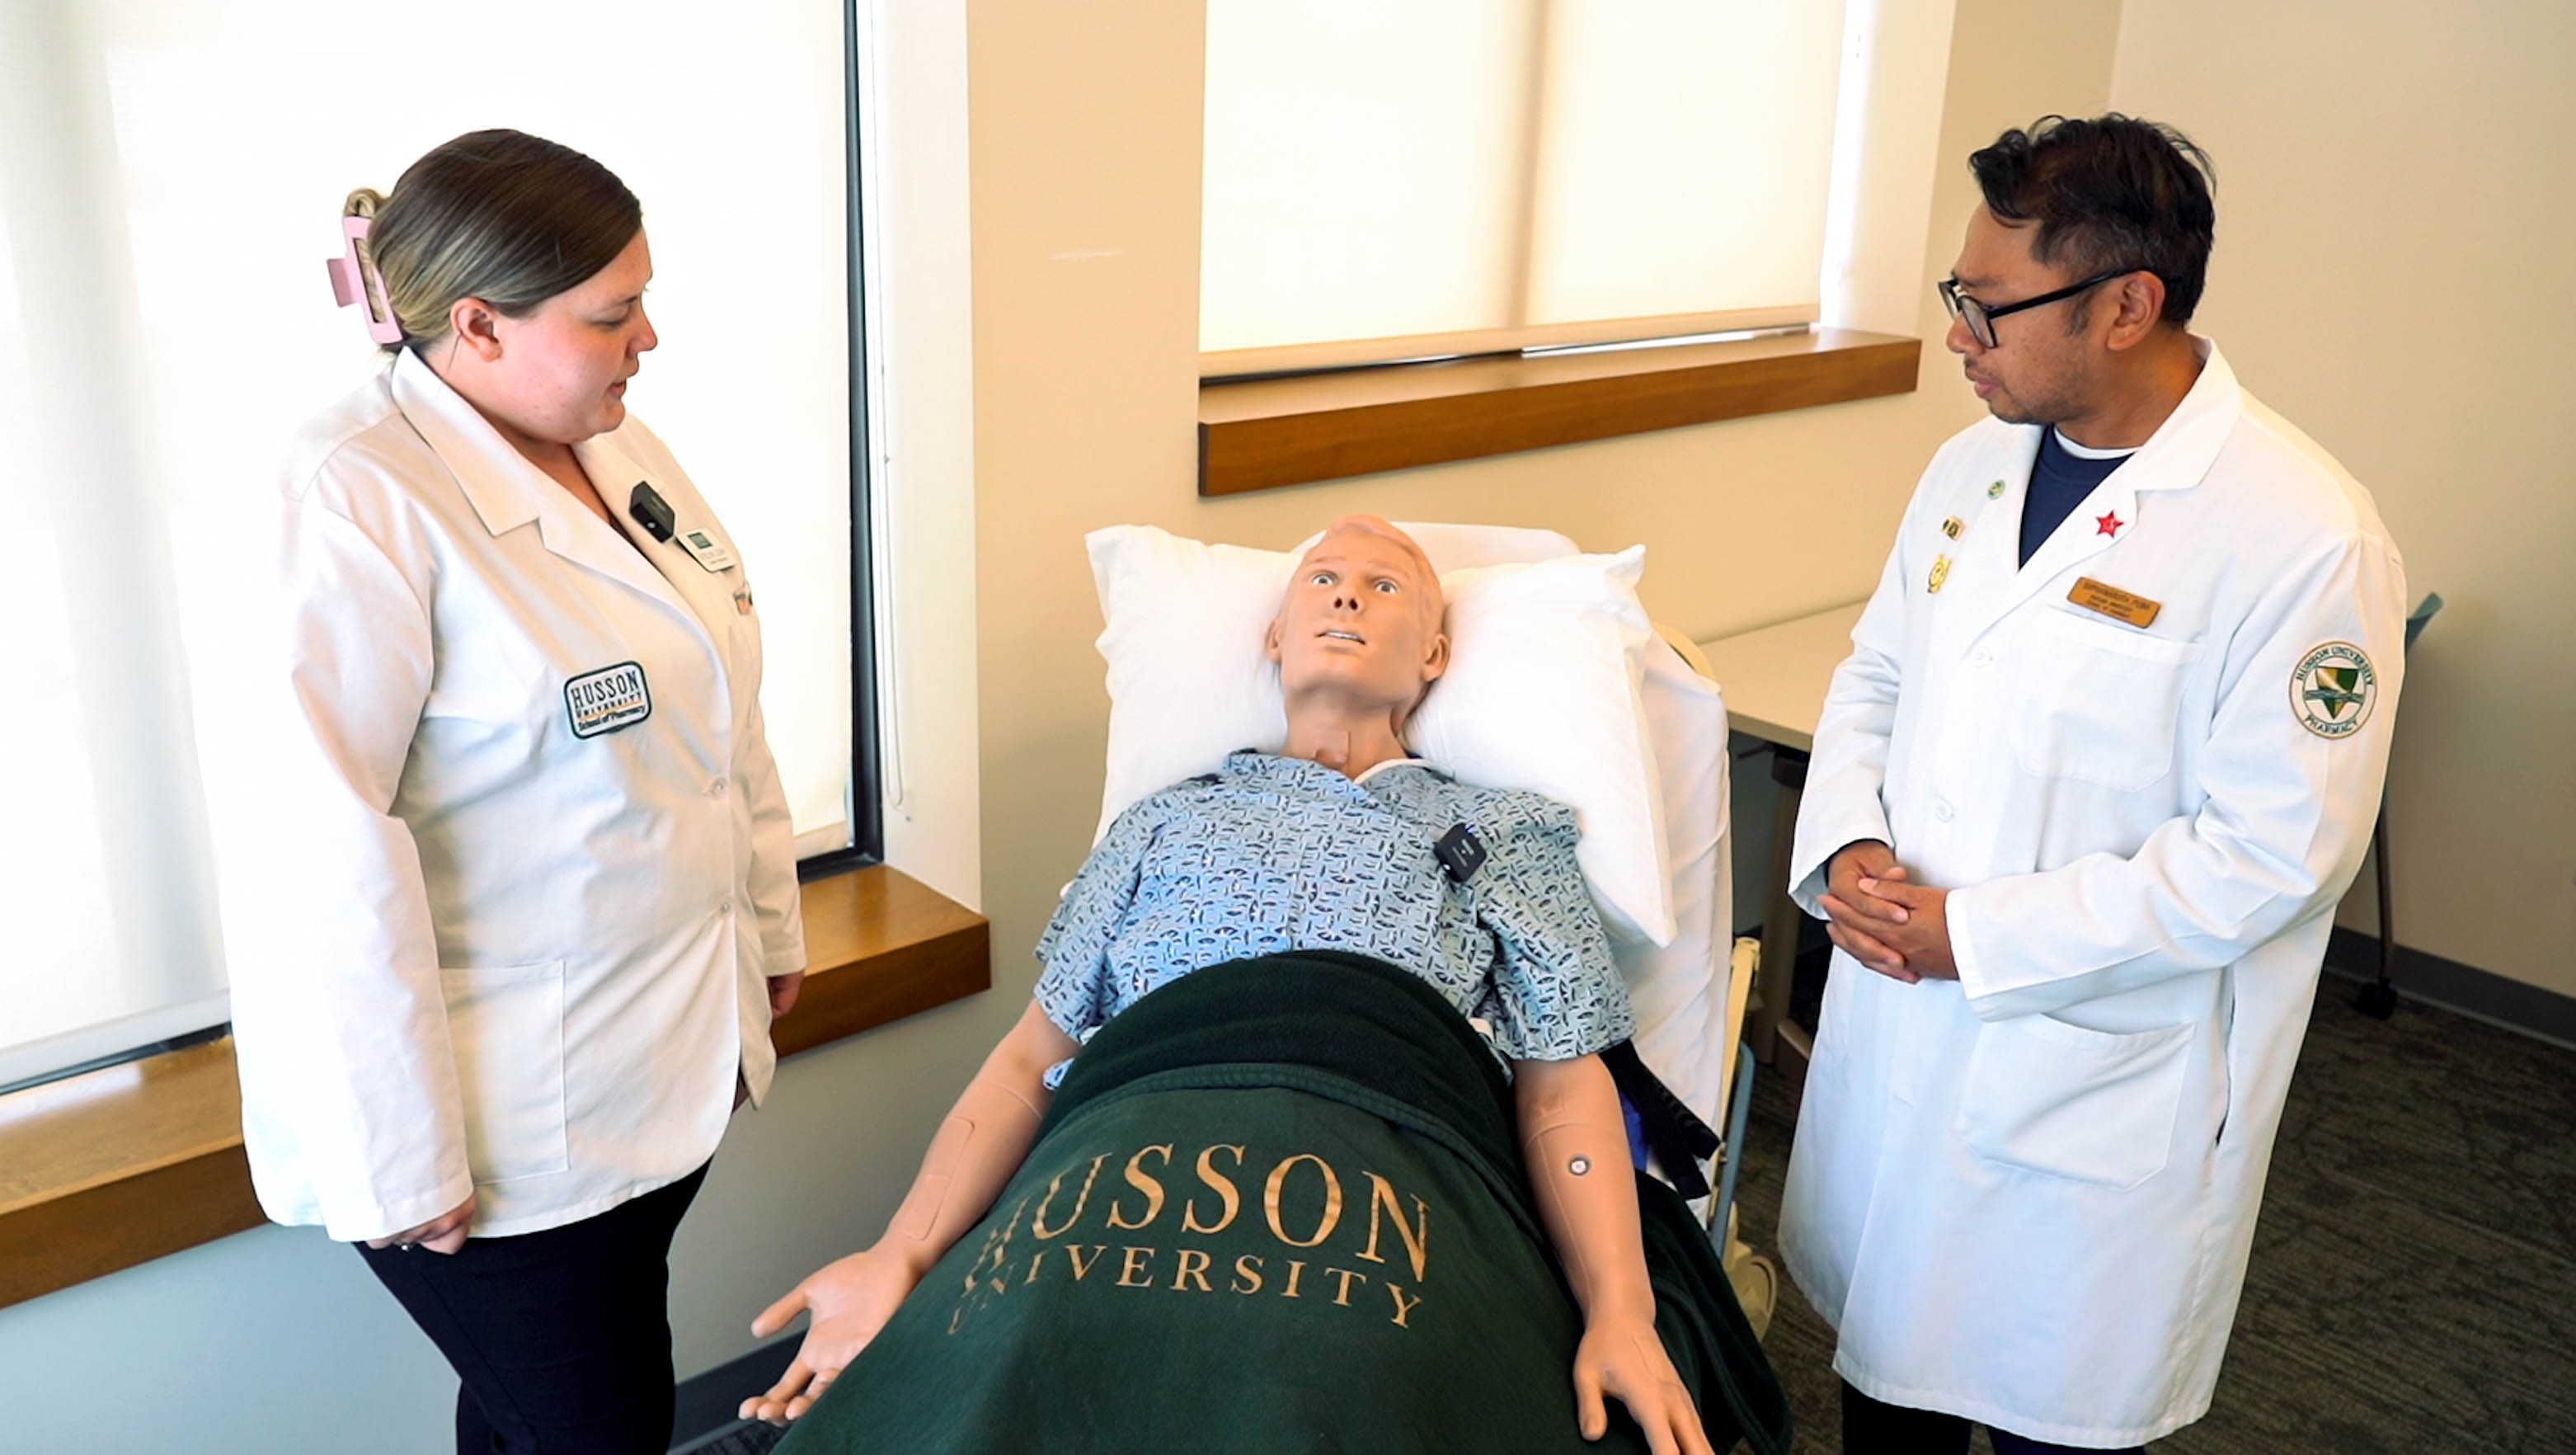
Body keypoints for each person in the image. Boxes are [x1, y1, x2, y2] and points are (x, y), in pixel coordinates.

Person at [743, 516, 1715, 1455]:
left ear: (1433, 657)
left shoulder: (1503, 830)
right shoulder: (1158, 821)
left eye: (1387, 586)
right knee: (1016, 1356)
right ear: (1274, 637)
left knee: (1354, 1375)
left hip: (1384, 1136)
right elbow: (1034, 1057)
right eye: (1323, 579)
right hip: (1133, 1123)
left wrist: (1621, 1312)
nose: (1347, 591)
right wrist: (899, 1254)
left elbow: (1560, 1081)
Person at [1780, 115, 2407, 1452]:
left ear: (2125, 305)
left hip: (2087, 1087)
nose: (1955, 332)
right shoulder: (1968, 465)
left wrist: (1974, 935)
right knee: (1876, 1388)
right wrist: (1842, 843)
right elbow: (1875, 673)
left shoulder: (2298, 535)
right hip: (1903, 1034)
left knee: (2041, 1403)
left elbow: (2268, 856)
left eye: (1986, 305)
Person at [214, 129, 806, 1454]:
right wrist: (399, 1152)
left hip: (655, 1063)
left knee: (544, 1422)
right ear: (477, 325)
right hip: (499, 1146)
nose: (648, 338)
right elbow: (316, 853)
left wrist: (765, 923)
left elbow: (721, 686)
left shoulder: (606, 435)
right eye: (612, 313)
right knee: (591, 1430)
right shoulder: (352, 496)